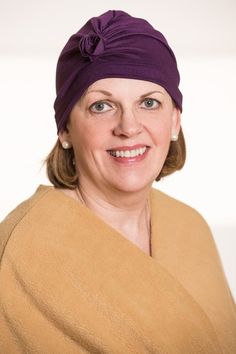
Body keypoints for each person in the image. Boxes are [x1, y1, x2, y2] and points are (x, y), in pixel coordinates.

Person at [0, 9, 235, 354]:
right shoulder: (20, 250)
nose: (128, 127)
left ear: (174, 122)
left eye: (149, 103)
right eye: (101, 106)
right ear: (65, 128)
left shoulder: (191, 226)